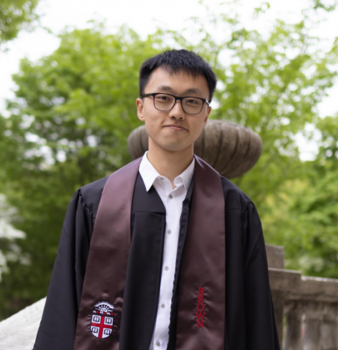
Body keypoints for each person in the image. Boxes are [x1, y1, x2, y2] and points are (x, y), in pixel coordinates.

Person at [34, 49, 280, 350]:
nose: (176, 112)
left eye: (192, 101)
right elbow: (63, 309)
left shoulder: (235, 211)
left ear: (206, 115)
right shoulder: (94, 204)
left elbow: (257, 322)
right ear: (141, 107)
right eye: (163, 98)